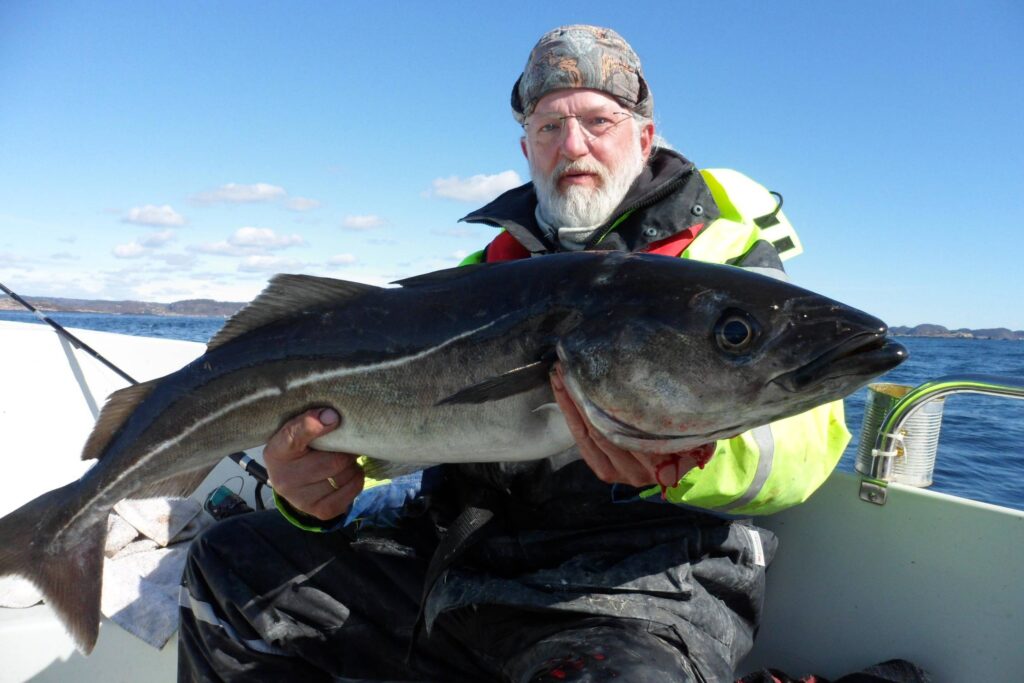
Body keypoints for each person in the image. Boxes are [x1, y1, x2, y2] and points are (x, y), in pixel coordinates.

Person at [178, 25, 850, 682]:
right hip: (458, 574)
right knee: (229, 567)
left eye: (598, 120)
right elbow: (402, 438)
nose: (573, 145)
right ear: (526, 146)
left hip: (640, 597)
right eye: (549, 127)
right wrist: (312, 494)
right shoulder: (484, 273)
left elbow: (805, 440)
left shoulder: (723, 266)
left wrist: (683, 460)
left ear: (644, 137)